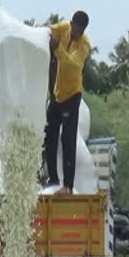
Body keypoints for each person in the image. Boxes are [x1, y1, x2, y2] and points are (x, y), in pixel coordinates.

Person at [43, 11, 91, 195]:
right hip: (57, 93)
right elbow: (47, 31)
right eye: (75, 28)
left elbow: (72, 64)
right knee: (50, 134)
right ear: (71, 23)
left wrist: (57, 49)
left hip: (72, 95)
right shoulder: (63, 28)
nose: (77, 33)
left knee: (68, 139)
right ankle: (53, 178)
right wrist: (46, 36)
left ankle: (68, 186)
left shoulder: (84, 44)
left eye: (81, 31)